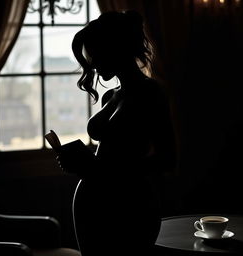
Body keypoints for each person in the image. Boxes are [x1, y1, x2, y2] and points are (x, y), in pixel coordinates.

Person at [59, 10, 176, 256]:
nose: (92, 64)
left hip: (129, 205)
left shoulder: (151, 93)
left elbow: (168, 158)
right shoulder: (110, 96)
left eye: (96, 55)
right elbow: (115, 150)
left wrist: (101, 171)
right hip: (93, 203)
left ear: (115, 49)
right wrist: (82, 161)